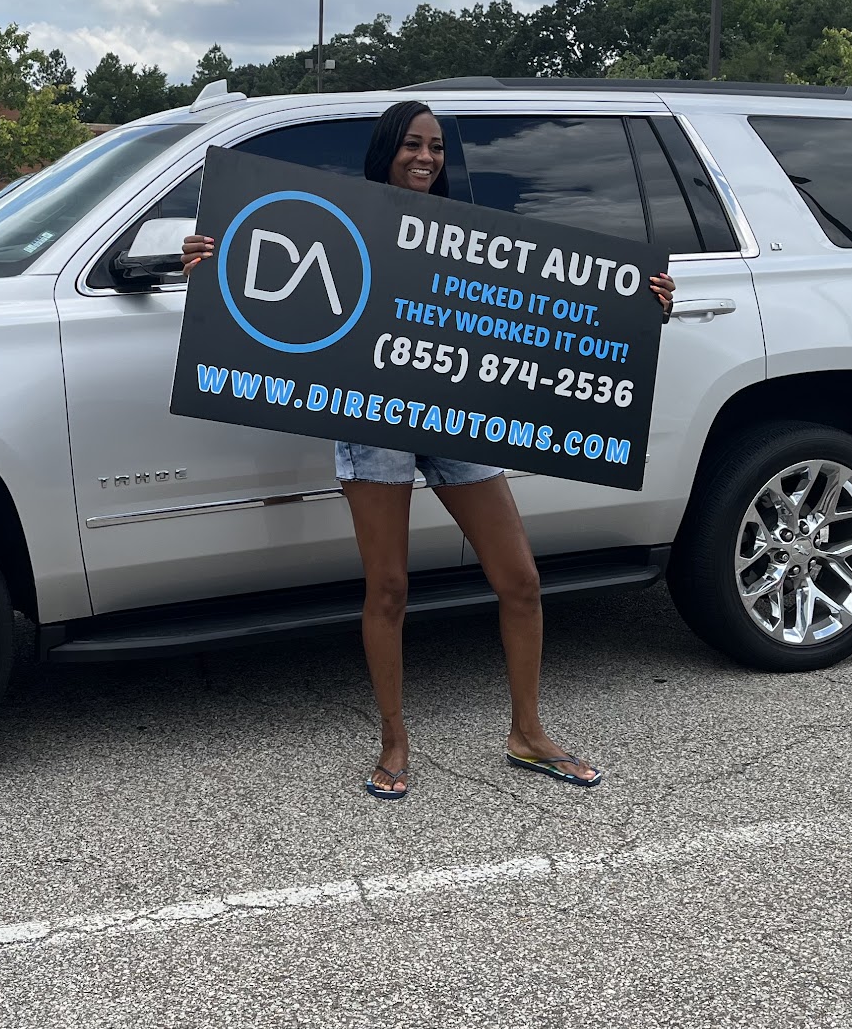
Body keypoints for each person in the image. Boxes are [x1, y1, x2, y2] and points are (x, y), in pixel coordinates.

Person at [181, 101, 675, 800]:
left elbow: (547, 308)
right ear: (387, 149)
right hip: (374, 417)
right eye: (412, 144)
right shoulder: (345, 219)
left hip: (457, 417)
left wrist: (638, 307)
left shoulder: (465, 234)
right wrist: (210, 263)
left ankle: (528, 733)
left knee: (520, 580)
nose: (425, 157)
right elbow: (280, 294)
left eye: (436, 147)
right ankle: (393, 740)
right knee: (388, 589)